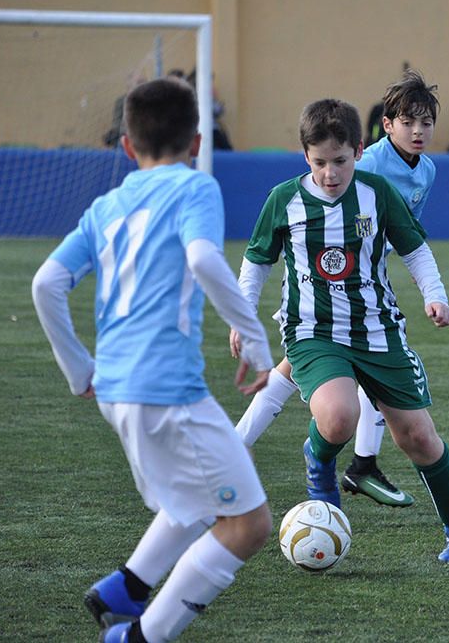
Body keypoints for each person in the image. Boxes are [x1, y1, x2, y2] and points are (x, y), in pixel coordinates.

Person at [32, 77, 276, 642]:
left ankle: (127, 589)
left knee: (193, 496)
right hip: (168, 393)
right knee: (249, 523)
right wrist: (256, 341)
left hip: (115, 390)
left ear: (125, 145)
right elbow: (204, 261)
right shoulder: (195, 189)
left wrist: (80, 371)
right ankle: (142, 636)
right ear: (197, 141)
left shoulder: (104, 207)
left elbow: (47, 283)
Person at [237, 98, 449, 562]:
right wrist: (242, 319)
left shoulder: (376, 192)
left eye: (341, 161)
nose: (330, 173)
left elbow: (415, 250)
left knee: (418, 437)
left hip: (376, 328)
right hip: (312, 329)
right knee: (339, 416)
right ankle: (320, 462)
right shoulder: (283, 199)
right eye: (320, 162)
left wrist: (436, 295)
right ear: (305, 155)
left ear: (360, 150)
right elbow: (256, 262)